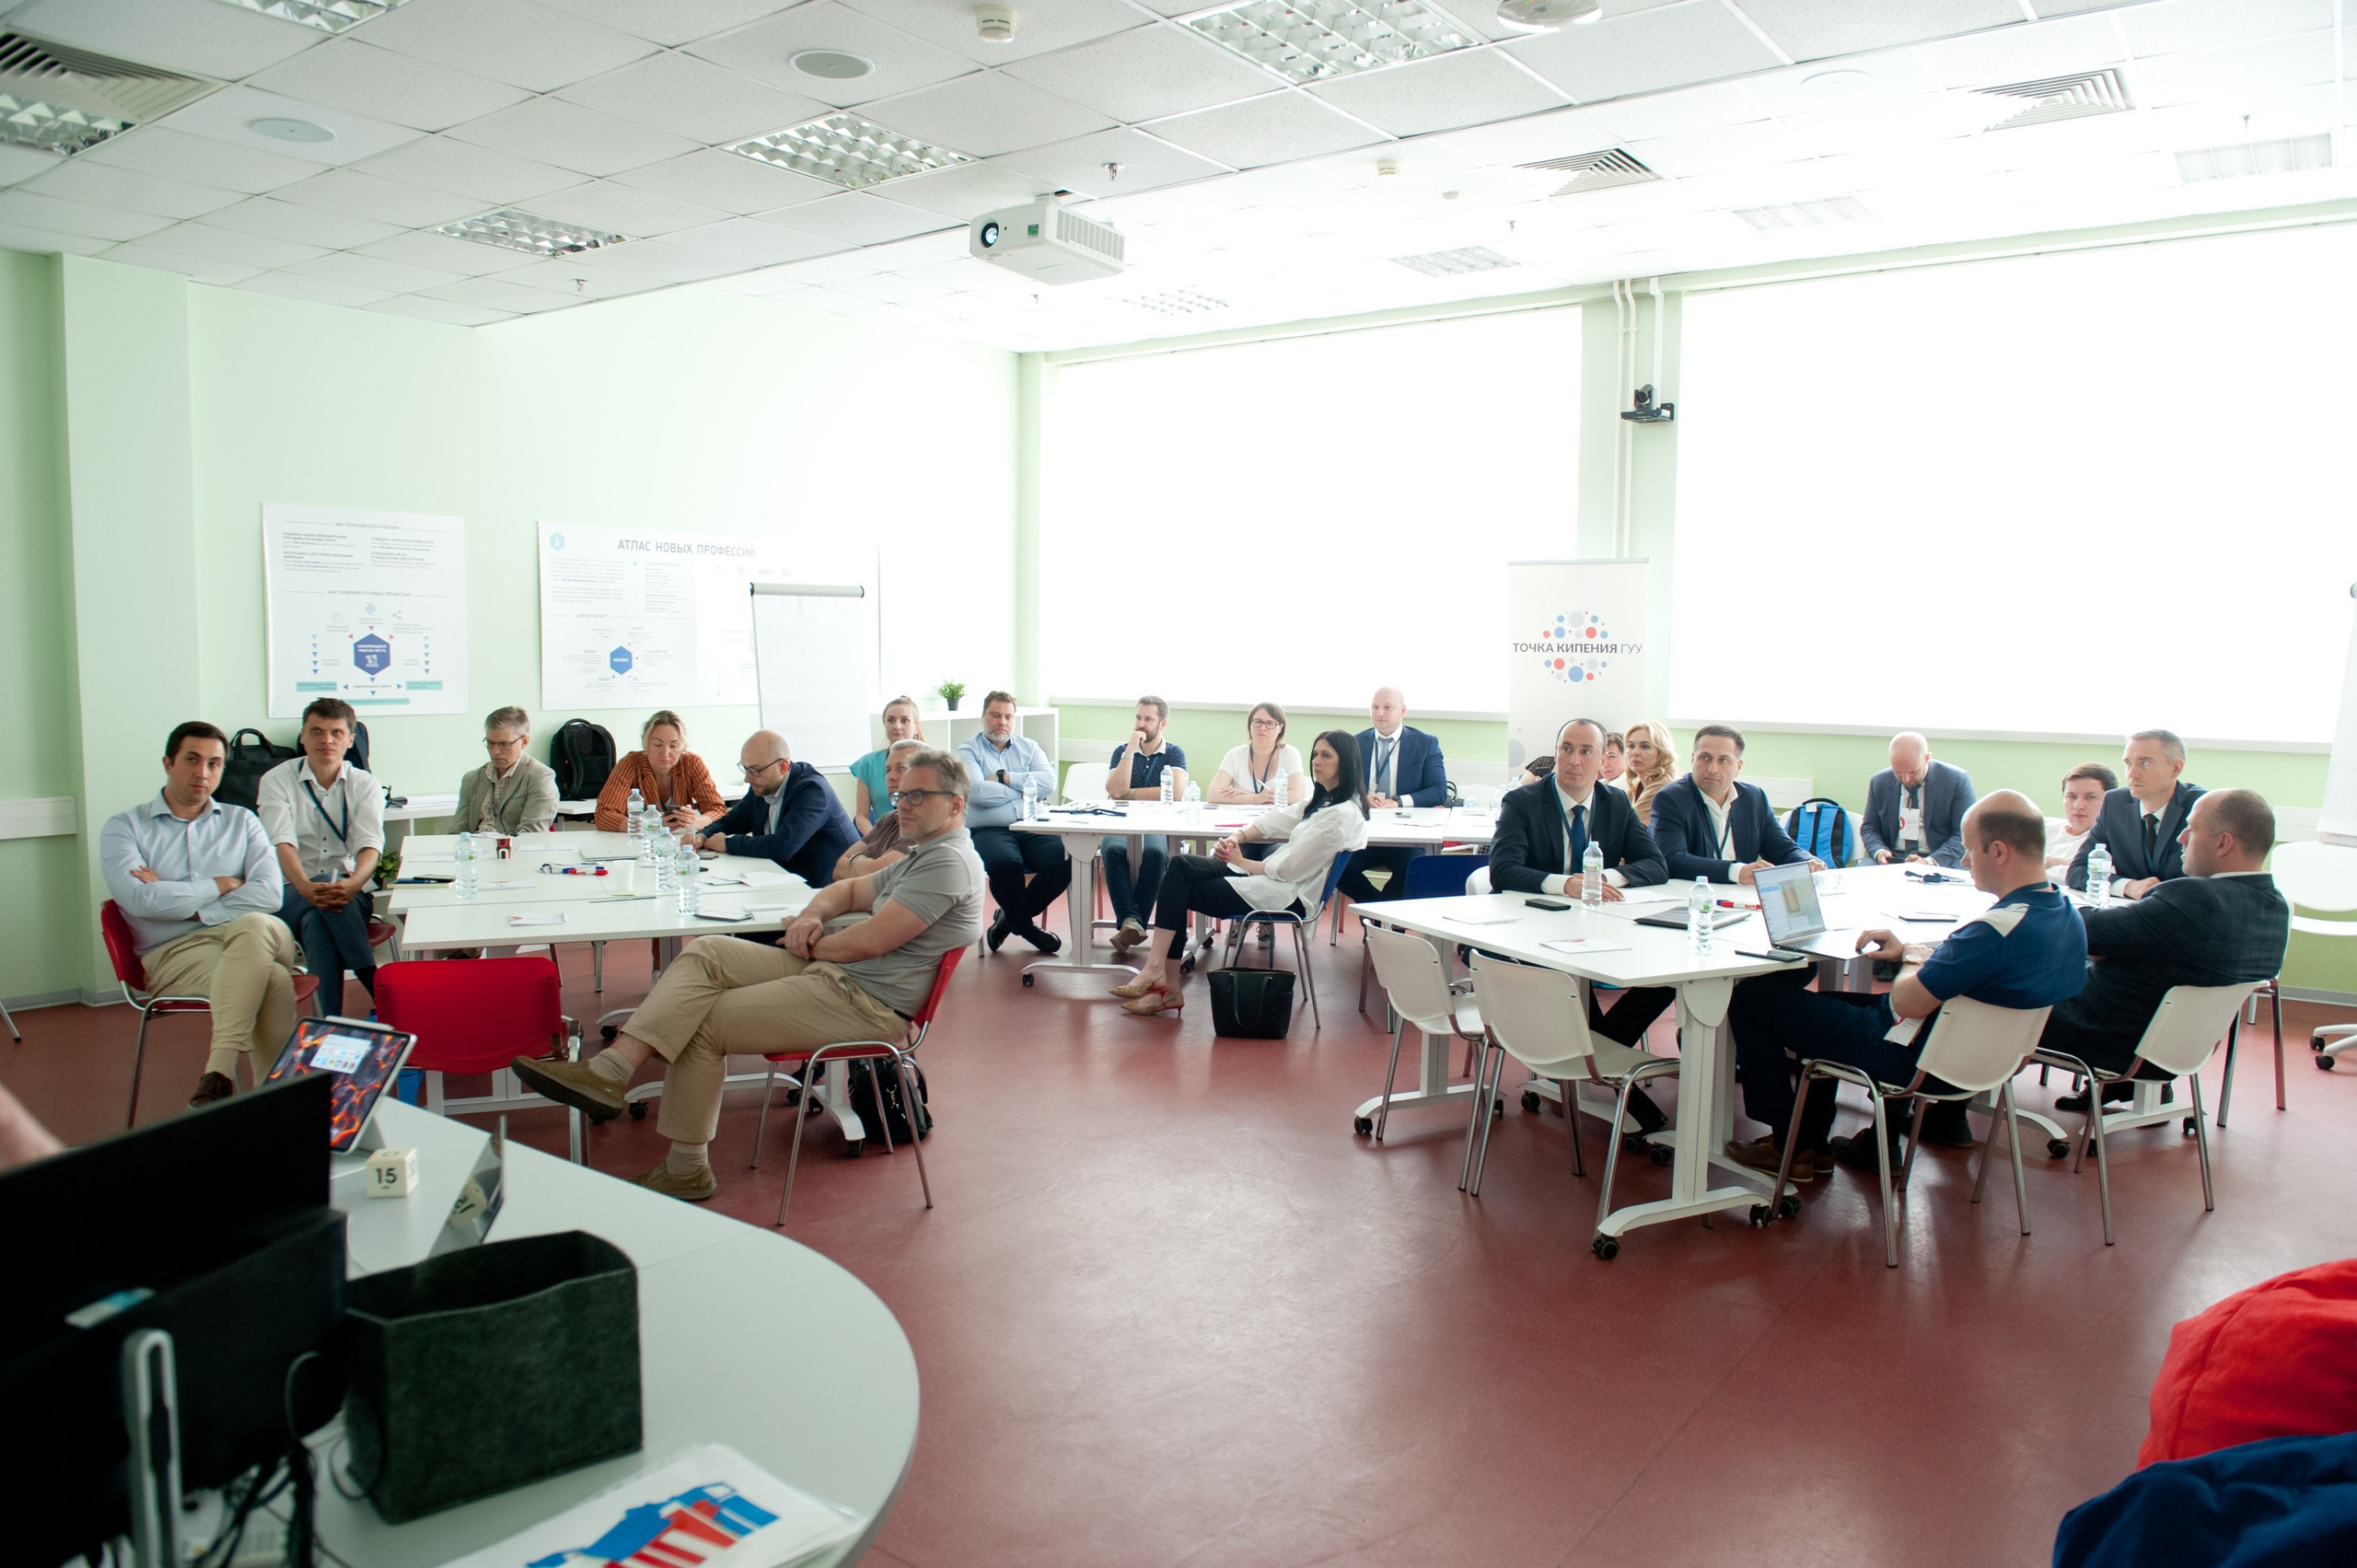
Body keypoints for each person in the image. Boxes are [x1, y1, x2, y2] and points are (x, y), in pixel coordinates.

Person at [512, 749, 984, 1201]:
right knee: (710, 951)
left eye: (918, 796)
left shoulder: (949, 862)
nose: (902, 803)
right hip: (840, 974)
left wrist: (812, 943)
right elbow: (847, 890)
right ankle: (609, 1072)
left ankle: (686, 1168)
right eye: (902, 795)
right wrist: (811, 917)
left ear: (956, 804)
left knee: (699, 1025)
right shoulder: (925, 852)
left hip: (867, 1001)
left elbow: (871, 940)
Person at [1722, 791, 2086, 1180]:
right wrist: (1918, 951)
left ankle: (1787, 1146)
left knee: (1752, 998)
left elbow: (1906, 1001)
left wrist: (1911, 957)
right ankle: (1811, 1143)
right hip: (1989, 1060)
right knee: (1822, 1004)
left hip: (1913, 1053)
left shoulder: (1993, 930)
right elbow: (1978, 972)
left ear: (1998, 851)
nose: (1964, 861)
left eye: (1968, 851)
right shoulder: (2065, 917)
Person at [2043, 789, 2289, 1113]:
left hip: (2108, 1036)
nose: (2181, 838)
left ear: (2224, 843)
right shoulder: (2276, 908)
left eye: (2192, 828)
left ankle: (1954, 1105)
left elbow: (2088, 931)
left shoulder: (2193, 898)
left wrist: (2040, 894)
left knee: (1980, 993)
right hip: (2177, 1048)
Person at [99, 722, 294, 1108]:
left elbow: (269, 894)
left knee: (254, 922)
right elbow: (139, 901)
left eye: (214, 763)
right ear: (168, 763)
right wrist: (222, 884)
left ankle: (219, 1071)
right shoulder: (124, 828)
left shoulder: (244, 822)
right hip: (174, 955)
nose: (203, 773)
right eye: (192, 760)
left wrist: (178, 901)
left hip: (257, 934)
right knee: (270, 977)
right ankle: (277, 1109)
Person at [1110, 731, 1369, 1017]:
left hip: (1286, 896)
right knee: (1180, 866)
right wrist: (1239, 837)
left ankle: (1165, 980)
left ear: (1346, 763)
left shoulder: (1340, 816)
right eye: (1315, 754)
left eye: (1326, 755)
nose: (1316, 762)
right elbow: (1279, 818)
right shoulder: (1326, 801)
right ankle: (1159, 973)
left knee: (1180, 888)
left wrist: (1241, 862)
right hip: (1270, 880)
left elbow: (1289, 870)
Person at [255, 697, 384, 1015]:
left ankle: (330, 1024)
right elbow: (281, 842)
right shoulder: (276, 781)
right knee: (321, 905)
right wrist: (304, 887)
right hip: (290, 892)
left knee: (318, 920)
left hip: (348, 892)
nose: (326, 740)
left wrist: (354, 884)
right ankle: (377, 988)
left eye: (336, 733)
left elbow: (370, 844)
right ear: (302, 736)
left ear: (350, 740)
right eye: (316, 731)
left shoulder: (365, 784)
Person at [1489, 718, 1668, 900]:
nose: (1574, 761)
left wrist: (1600, 878)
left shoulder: (1616, 803)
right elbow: (1502, 870)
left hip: (1596, 912)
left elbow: (1655, 864)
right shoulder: (1521, 801)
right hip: (1532, 911)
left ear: (1603, 760)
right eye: (1566, 749)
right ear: (1556, 753)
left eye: (1586, 752)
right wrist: (1566, 885)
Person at [958, 691, 1066, 954]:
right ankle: (1026, 928)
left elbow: (1049, 783)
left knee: (1068, 857)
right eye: (995, 715)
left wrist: (1005, 778)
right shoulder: (967, 750)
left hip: (1032, 825)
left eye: (1008, 716)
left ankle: (1009, 920)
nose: (1001, 722)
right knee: (1007, 864)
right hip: (988, 829)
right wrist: (1025, 792)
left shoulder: (1030, 746)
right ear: (983, 717)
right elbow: (978, 794)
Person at [692, 731, 857, 887]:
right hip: (788, 880)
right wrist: (703, 835)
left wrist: (728, 844)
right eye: (746, 768)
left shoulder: (813, 791)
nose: (748, 778)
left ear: (783, 767)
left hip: (830, 887)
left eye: (755, 770)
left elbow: (783, 846)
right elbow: (733, 820)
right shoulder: (763, 785)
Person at [1337, 687, 1447, 908]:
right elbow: (1339, 786)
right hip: (1363, 835)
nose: (1380, 713)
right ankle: (1377, 913)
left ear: (1403, 711)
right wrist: (1361, 797)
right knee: (1335, 866)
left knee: (1414, 867)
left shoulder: (1425, 743)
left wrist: (1398, 801)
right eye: (1375, 707)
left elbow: (1438, 790)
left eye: (1387, 707)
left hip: (1404, 837)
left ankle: (1380, 920)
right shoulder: (1355, 743)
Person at [2068, 730, 2204, 900]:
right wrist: (2127, 886)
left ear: (2176, 768)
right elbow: (2078, 870)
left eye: (2144, 763)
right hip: (2129, 910)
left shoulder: (2201, 806)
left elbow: (2210, 880)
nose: (2132, 774)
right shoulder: (2115, 803)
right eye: (2128, 763)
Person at [1102, 696, 1190, 957]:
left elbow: (1175, 792)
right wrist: (1131, 749)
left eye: (1148, 719)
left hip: (1160, 823)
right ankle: (1132, 922)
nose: (1141, 724)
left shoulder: (1174, 752)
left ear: (1162, 723)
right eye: (1138, 718)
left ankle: (1131, 923)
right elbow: (1115, 790)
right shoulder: (1122, 751)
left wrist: (1131, 793)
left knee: (1156, 853)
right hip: (1122, 822)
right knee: (1112, 850)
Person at [593, 710, 724, 833]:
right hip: (640, 843)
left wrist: (698, 821)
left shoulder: (692, 763)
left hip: (680, 843)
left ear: (682, 746)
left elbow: (718, 810)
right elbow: (603, 815)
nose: (665, 753)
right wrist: (649, 824)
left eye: (673, 745)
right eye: (657, 744)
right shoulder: (631, 763)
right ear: (646, 743)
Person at [1861, 732, 1976, 866]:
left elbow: (1964, 832)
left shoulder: (1956, 780)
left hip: (1940, 857)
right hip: (1893, 856)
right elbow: (1869, 827)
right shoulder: (1879, 781)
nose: (1906, 779)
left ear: (1927, 758)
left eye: (1913, 772)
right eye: (1898, 772)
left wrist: (1930, 861)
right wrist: (1879, 851)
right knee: (1857, 880)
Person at [455, 705, 559, 834]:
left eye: (504, 744)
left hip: (514, 851)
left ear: (524, 741)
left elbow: (531, 834)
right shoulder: (471, 779)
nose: (495, 751)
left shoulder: (541, 777)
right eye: (490, 743)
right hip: (475, 851)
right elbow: (457, 832)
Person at [834, 738, 926, 882]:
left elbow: (875, 877)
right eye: (888, 770)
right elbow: (839, 870)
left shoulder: (922, 826)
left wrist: (857, 861)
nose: (890, 777)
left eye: (901, 768)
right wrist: (869, 864)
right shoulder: (888, 819)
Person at [848, 695, 925, 834]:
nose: (897, 726)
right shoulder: (868, 763)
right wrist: (877, 841)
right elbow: (861, 817)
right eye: (891, 720)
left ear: (916, 727)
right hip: (881, 837)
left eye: (904, 720)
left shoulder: (930, 762)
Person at [1208, 702, 1308, 807]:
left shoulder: (1290, 753)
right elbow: (1213, 794)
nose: (1263, 728)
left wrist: (1249, 797)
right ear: (1250, 725)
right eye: (1258, 722)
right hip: (1240, 818)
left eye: (1270, 724)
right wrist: (1256, 798)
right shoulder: (1235, 754)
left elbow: (1297, 796)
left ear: (1280, 728)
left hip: (1276, 819)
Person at [2047, 762, 2118, 873]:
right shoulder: (2043, 827)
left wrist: (2052, 862)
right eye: (2072, 796)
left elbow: (2089, 877)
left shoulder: (2111, 844)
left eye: (2090, 797)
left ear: (2110, 802)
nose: (2078, 806)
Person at [1621, 719, 1678, 825]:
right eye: (1631, 746)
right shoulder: (1637, 786)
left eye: (1645, 746)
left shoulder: (1663, 788)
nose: (1635, 752)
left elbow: (1627, 827)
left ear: (1662, 752)